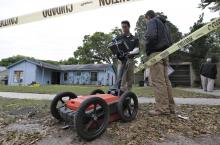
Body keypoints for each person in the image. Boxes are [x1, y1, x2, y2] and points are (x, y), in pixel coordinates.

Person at [144, 10, 175, 116]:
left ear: (147, 17)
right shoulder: (164, 24)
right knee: (166, 81)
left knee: (158, 82)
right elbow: (170, 40)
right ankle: (170, 107)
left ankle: (162, 109)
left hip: (156, 53)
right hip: (166, 53)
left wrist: (147, 49)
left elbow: (151, 36)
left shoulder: (152, 21)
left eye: (146, 19)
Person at [115, 20, 139, 92]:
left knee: (130, 80)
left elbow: (137, 49)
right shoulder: (119, 38)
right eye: (122, 27)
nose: (124, 29)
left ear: (129, 27)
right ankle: (121, 99)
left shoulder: (134, 38)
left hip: (131, 61)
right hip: (122, 61)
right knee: (122, 80)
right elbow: (114, 48)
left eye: (125, 27)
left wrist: (130, 53)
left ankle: (128, 98)